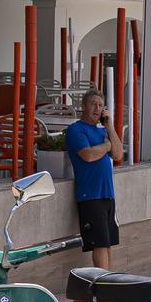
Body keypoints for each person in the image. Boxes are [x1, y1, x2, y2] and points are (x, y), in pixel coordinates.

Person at [64, 88, 125, 269]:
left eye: (100, 105)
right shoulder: (76, 130)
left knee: (107, 243)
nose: (97, 109)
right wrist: (106, 146)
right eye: (93, 104)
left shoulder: (103, 132)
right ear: (84, 107)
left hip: (107, 194)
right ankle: (102, 283)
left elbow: (118, 154)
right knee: (99, 243)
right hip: (90, 196)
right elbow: (88, 155)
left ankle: (109, 279)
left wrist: (110, 127)